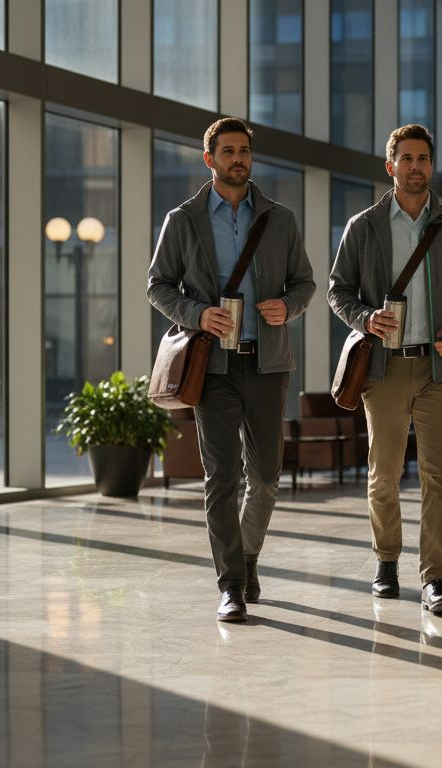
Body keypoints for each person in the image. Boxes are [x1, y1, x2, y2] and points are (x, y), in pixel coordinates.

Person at [147, 117, 315, 622]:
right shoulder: (184, 220)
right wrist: (198, 315)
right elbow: (158, 285)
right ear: (210, 159)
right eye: (228, 151)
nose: (238, 158)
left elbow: (304, 282)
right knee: (221, 477)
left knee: (264, 477)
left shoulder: (280, 219)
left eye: (244, 150)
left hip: (267, 363)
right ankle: (231, 585)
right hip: (212, 366)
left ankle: (246, 555)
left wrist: (288, 306)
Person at [328, 124, 442, 615]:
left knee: (439, 476)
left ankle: (435, 578)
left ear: (431, 165)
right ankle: (386, 561)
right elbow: (338, 290)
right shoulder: (364, 226)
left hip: (440, 368)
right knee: (385, 474)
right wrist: (364, 318)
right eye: (407, 158)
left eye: (423, 158)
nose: (415, 166)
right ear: (390, 166)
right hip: (385, 367)